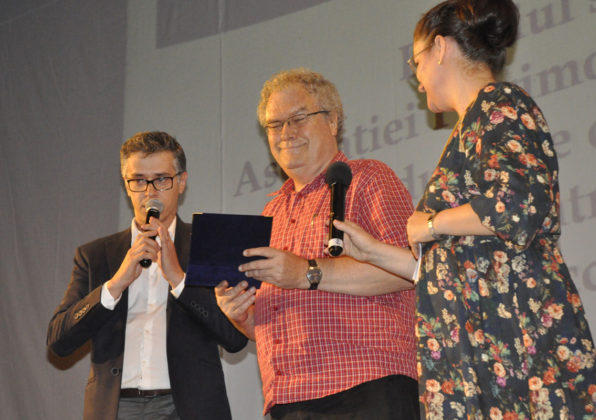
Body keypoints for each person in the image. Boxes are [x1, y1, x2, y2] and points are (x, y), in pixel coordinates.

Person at [333, 0, 596, 418]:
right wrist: (373, 252)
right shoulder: (471, 124)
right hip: (478, 347)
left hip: (515, 342)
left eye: (416, 61)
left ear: (440, 48)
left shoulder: (500, 104)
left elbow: (517, 203)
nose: (416, 78)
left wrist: (430, 223)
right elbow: (457, 262)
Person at [215, 68, 420, 420]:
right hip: (289, 401)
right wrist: (243, 317)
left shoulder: (369, 178)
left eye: (298, 118)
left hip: (366, 386)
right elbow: (277, 325)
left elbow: (409, 271)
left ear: (333, 121)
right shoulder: (271, 213)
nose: (286, 133)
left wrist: (305, 272)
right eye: (274, 124)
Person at [47, 131, 247, 420]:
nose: (150, 192)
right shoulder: (95, 255)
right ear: (126, 185)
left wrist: (179, 280)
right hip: (116, 408)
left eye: (161, 179)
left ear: (181, 182)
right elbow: (59, 341)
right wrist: (114, 285)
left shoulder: (207, 245)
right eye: (139, 181)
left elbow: (235, 338)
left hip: (188, 407)